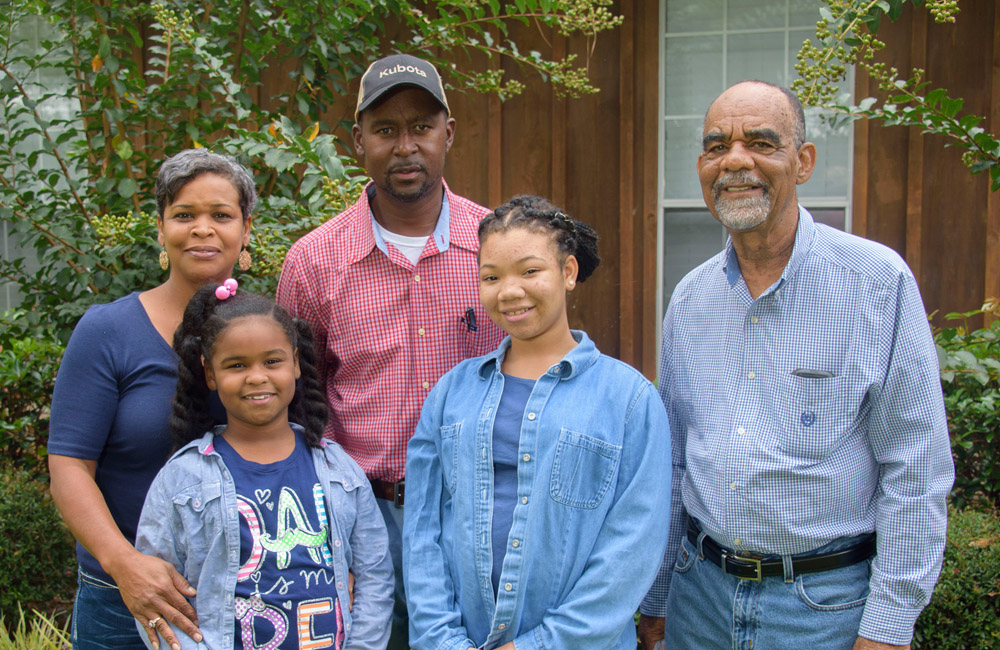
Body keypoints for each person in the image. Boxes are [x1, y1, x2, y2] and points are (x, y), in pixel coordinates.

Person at [637, 81, 955, 650]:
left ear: (802, 161)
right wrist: (659, 598)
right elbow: (675, 462)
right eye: (716, 147)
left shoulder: (876, 283)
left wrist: (888, 627)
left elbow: (916, 468)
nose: (735, 161)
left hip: (822, 610)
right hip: (699, 598)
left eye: (761, 142)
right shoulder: (689, 299)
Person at [276, 53, 503, 648]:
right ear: (358, 142)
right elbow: (294, 404)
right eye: (385, 130)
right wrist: (324, 532)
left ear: (447, 134)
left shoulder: (498, 249)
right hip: (362, 518)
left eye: (422, 127)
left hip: (477, 513)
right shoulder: (313, 262)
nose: (406, 147)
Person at [404, 195, 671, 650]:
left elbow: (632, 548)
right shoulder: (451, 394)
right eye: (491, 277)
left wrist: (542, 646)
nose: (509, 291)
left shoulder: (628, 400)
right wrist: (441, 640)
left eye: (530, 271)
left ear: (568, 273)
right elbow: (422, 534)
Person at [48, 149, 257, 650]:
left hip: (248, 597)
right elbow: (69, 467)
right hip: (122, 599)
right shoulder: (108, 331)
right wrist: (126, 567)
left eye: (221, 215)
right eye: (184, 215)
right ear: (161, 229)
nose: (202, 229)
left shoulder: (264, 331)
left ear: (246, 230)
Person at [133, 283, 393, 650]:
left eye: (272, 361)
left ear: (296, 361)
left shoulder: (340, 470)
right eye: (236, 365)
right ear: (209, 373)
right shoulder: (183, 478)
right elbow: (157, 593)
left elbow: (374, 577)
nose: (257, 377)